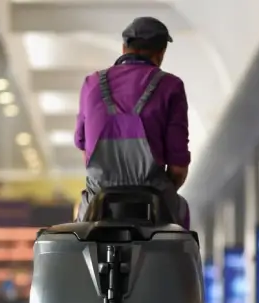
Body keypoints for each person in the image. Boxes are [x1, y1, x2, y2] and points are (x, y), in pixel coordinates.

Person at [74, 16, 191, 227]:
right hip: (152, 205)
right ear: (161, 53)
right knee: (181, 214)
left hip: (98, 206)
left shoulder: (91, 84)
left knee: (80, 218)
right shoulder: (171, 86)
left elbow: (85, 150)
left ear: (123, 48)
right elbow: (178, 168)